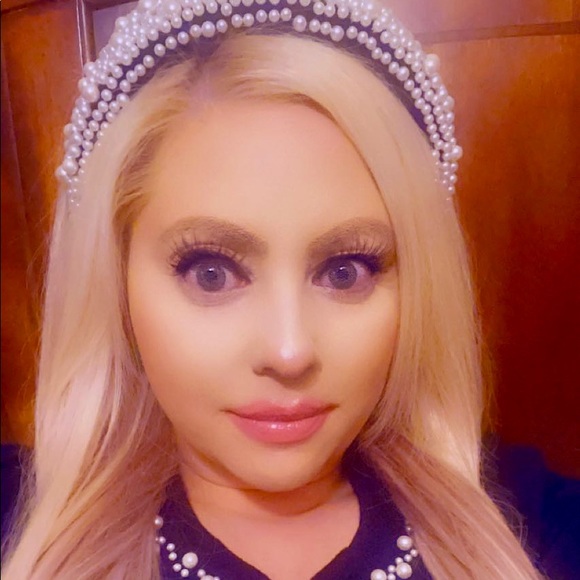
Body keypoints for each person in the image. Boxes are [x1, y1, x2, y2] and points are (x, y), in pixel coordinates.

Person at [1, 0, 578, 578]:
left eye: (346, 271)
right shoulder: (22, 526)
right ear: (116, 282)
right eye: (211, 272)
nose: (289, 352)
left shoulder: (524, 516)